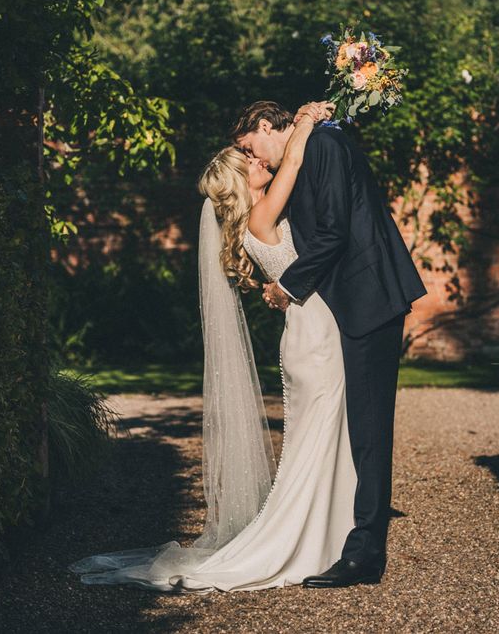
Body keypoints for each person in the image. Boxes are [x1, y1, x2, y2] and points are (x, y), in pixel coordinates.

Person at [69, 100, 365, 591]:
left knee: (317, 443)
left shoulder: (257, 221)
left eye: (255, 157)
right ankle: (301, 541)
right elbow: (291, 160)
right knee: (316, 443)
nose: (260, 163)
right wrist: (307, 121)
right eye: (249, 162)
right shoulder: (261, 216)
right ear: (240, 184)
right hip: (314, 339)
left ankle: (327, 535)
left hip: (309, 334)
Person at [233, 100, 427, 588]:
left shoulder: (327, 144)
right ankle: (354, 537)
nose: (251, 158)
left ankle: (365, 555)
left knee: (369, 429)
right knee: (361, 427)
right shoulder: (310, 147)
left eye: (247, 146)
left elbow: (334, 232)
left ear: (260, 127)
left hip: (370, 299)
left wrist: (285, 286)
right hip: (352, 304)